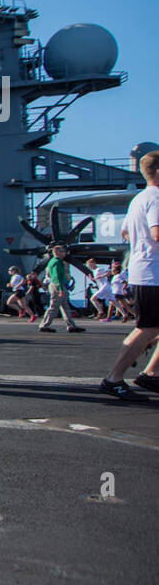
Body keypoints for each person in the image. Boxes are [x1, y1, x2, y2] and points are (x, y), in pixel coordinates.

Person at [100, 150, 159, 400]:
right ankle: (113, 379)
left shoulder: (139, 198)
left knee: (150, 327)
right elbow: (157, 233)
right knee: (146, 328)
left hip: (144, 269)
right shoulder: (156, 198)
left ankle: (151, 374)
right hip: (153, 274)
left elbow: (124, 232)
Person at [38, 243, 83, 333]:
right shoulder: (57, 262)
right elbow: (56, 276)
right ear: (57, 252)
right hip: (57, 285)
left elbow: (48, 274)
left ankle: (71, 325)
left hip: (56, 284)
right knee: (54, 306)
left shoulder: (51, 261)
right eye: (63, 251)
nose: (65, 253)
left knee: (65, 307)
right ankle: (44, 325)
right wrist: (60, 289)